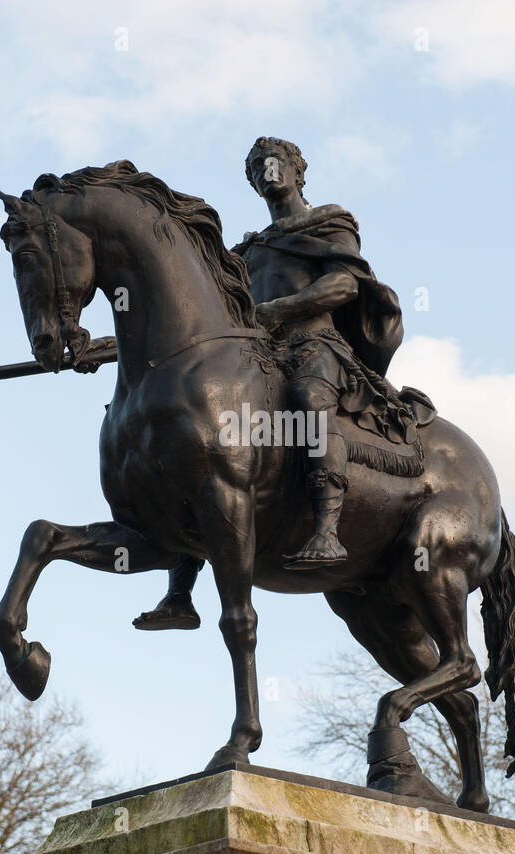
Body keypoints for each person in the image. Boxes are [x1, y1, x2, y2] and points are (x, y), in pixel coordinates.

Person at [132, 137, 406, 631]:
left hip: (315, 346)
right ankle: (179, 592)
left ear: (300, 171)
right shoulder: (247, 250)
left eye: (277, 162)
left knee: (309, 400)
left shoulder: (328, 221)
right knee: (199, 430)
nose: (268, 170)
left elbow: (344, 285)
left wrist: (274, 311)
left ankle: (327, 528)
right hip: (258, 355)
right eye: (257, 166)